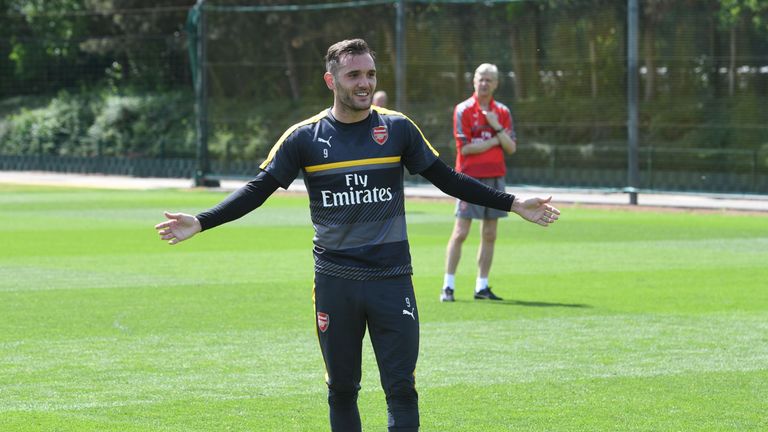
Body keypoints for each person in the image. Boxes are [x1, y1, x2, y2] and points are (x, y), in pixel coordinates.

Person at [155, 39, 559, 432]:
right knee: (343, 390)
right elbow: (258, 189)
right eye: (353, 75)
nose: (364, 83)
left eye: (369, 74)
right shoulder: (304, 137)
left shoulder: (397, 128)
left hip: (391, 279)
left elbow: (448, 179)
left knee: (401, 389)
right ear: (331, 81)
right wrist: (202, 221)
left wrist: (512, 203)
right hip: (335, 283)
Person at [441, 63, 518, 303]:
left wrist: (495, 126)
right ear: (474, 81)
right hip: (468, 178)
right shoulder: (463, 110)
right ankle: (448, 286)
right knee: (461, 231)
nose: (484, 83)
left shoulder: (502, 112)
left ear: (496, 84)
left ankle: (481, 286)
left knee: (490, 233)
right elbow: (466, 148)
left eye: (489, 80)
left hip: (495, 176)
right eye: (480, 79)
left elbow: (512, 147)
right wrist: (497, 139)